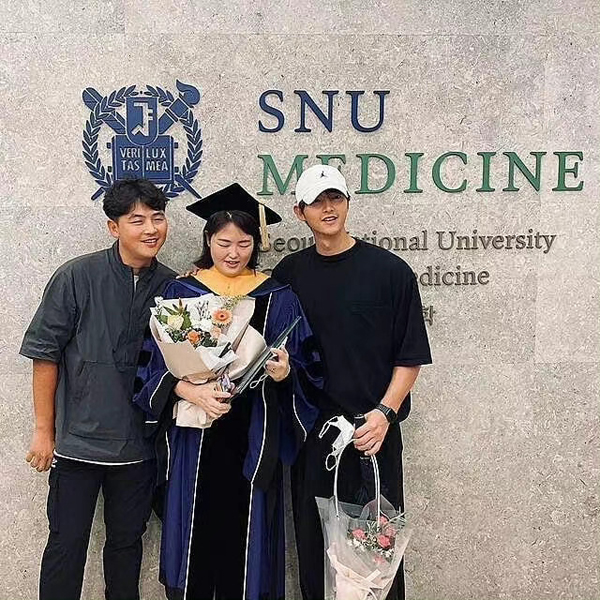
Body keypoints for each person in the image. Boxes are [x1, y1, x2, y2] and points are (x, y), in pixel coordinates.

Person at [133, 183, 320, 600]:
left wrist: (285, 373)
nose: (233, 253)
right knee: (196, 529)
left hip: (254, 432)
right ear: (208, 241)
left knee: (246, 540)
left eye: (243, 243)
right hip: (195, 433)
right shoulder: (183, 292)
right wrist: (187, 390)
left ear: (257, 243)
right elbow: (150, 364)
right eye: (223, 243)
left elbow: (307, 368)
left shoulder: (278, 297)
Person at [272, 164, 432, 600]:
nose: (328, 209)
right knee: (316, 550)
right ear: (300, 211)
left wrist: (384, 414)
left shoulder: (390, 271)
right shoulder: (289, 275)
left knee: (375, 555)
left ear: (348, 203)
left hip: (373, 434)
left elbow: (410, 357)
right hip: (314, 436)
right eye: (317, 202)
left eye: (336, 199)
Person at [19, 179, 175, 600]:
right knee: (65, 547)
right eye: (137, 220)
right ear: (113, 227)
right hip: (77, 447)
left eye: (158, 217)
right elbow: (44, 354)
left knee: (126, 548)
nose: (151, 229)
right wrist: (44, 431)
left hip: (138, 449)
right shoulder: (76, 276)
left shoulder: (173, 287)